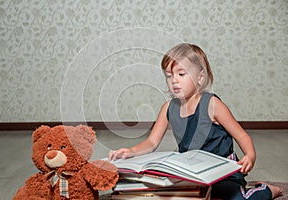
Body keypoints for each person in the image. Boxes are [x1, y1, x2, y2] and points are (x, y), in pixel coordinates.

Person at [108, 43, 283, 199]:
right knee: (169, 193)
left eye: (181, 74)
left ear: (200, 78)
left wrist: (250, 155)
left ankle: (267, 190)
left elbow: (241, 135)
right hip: (191, 171)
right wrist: (130, 151)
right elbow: (152, 142)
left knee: (233, 197)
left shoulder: (212, 104)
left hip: (222, 172)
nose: (174, 80)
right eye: (169, 75)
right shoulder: (168, 108)